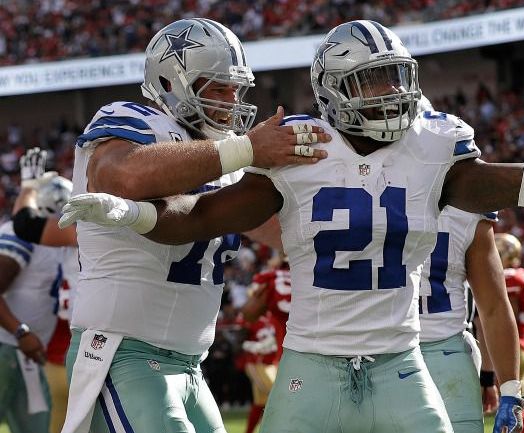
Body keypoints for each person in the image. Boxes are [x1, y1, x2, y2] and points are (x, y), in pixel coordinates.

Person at [59, 19, 524, 433]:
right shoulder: (280, 146)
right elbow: (183, 212)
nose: (391, 97)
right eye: (372, 83)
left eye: (395, 80)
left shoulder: (430, 145)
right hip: (208, 354)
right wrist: (131, 210)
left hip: (386, 358)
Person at [55, 17, 330, 433]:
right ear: (171, 82)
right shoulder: (131, 118)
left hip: (189, 364)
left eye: (237, 88)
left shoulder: (226, 157)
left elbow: (285, 235)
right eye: (219, 87)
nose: (231, 99)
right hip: (121, 350)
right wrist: (244, 149)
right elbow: (119, 176)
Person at [418, 207, 522, 433]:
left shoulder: (367, 189)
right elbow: (492, 308)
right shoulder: (466, 204)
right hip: (447, 350)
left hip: (376, 351)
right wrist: (509, 390)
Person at [10, 147, 78, 433]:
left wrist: (28, 186)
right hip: (82, 348)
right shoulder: (83, 232)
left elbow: (24, 223)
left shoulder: (56, 243)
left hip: (56, 353)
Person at [486, 232, 524, 432]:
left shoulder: (510, 278)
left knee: (512, 407)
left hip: (511, 346)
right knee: (515, 405)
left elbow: (506, 315)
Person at [239, 252, 292, 433]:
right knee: (268, 401)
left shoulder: (270, 278)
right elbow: (244, 341)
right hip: (263, 362)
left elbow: (249, 309)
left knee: (273, 400)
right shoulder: (262, 320)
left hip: (275, 361)